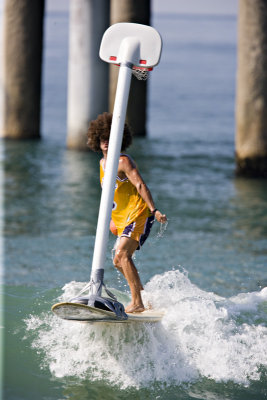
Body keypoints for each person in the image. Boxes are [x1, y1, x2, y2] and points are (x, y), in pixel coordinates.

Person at [87, 112, 167, 313]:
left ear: (119, 139)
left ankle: (137, 302)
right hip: (122, 217)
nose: (105, 142)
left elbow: (139, 184)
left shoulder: (123, 161)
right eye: (102, 138)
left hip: (139, 213)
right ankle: (145, 298)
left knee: (122, 254)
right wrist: (112, 220)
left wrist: (154, 209)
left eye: (109, 138)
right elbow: (111, 195)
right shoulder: (102, 164)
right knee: (117, 261)